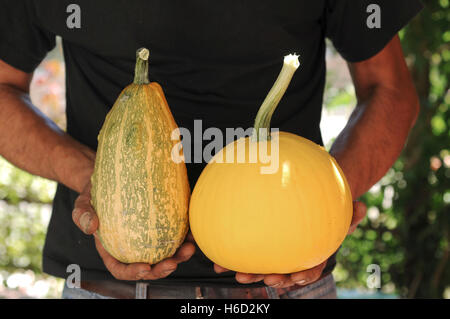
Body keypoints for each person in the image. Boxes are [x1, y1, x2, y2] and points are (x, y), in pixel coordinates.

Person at [0, 0, 422, 299]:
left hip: (288, 285)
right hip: (107, 285)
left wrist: (327, 199)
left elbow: (389, 89)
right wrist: (94, 178)